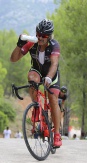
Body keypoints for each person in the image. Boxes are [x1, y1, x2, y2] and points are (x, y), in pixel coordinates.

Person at [10, 19, 62, 147]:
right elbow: (13, 59)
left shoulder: (54, 45)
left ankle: (56, 134)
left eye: (43, 35)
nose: (40, 37)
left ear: (49, 36)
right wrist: (19, 44)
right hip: (37, 71)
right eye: (38, 34)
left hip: (51, 74)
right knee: (32, 78)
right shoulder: (31, 43)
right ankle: (36, 106)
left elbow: (54, 63)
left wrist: (49, 78)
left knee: (53, 98)